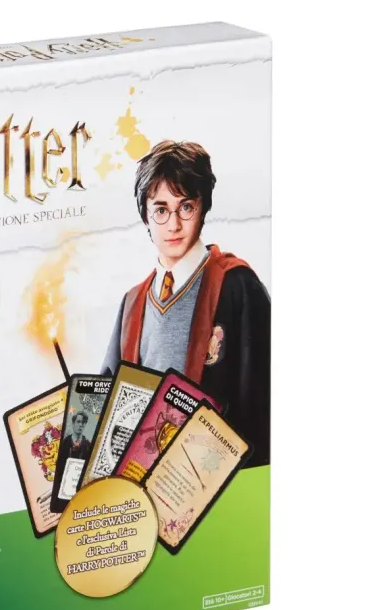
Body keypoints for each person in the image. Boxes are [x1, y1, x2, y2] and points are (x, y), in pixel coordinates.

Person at [102, 141, 270, 465]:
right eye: (161, 210)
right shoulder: (132, 304)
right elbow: (108, 405)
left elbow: (264, 406)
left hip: (221, 480)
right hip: (140, 482)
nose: (174, 225)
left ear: (203, 207)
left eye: (186, 207)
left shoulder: (237, 285)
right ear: (145, 215)